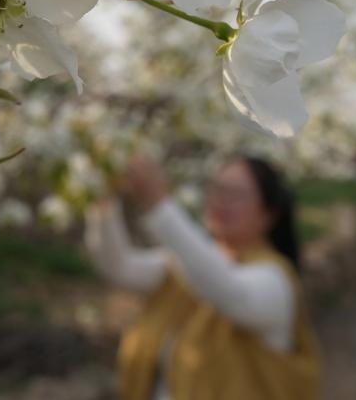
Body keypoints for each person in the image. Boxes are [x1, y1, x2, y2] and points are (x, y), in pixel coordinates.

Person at [85, 154, 321, 400]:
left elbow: (229, 291)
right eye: (217, 189)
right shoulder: (192, 266)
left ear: (269, 213)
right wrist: (103, 204)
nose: (221, 202)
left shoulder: (274, 280)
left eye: (235, 195)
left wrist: (158, 206)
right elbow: (120, 266)